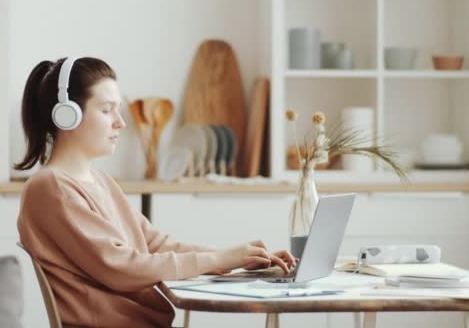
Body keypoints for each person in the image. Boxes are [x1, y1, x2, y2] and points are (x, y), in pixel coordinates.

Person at [15, 57, 296, 328]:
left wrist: (239, 258)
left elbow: (156, 244)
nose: (120, 122)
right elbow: (121, 268)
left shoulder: (101, 182)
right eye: (106, 110)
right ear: (67, 116)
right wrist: (220, 260)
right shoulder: (51, 188)